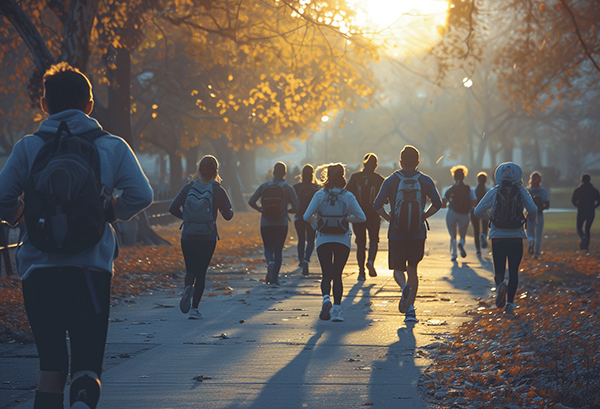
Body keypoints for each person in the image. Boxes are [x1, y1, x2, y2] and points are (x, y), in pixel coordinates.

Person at [0, 62, 153, 409]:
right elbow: (141, 194)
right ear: (89, 105)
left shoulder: (27, 147)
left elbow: (2, 197)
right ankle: (83, 401)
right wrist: (108, 213)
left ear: (44, 105)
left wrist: (20, 216)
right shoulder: (111, 146)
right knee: (86, 366)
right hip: (90, 271)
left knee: (51, 368)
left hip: (38, 272)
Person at [373, 146, 442, 323]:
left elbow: (377, 204)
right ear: (418, 162)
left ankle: (403, 287)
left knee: (397, 269)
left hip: (396, 232)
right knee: (413, 269)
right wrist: (423, 215)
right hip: (417, 233)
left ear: (400, 162)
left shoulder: (390, 181)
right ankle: (411, 310)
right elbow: (438, 203)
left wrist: (388, 217)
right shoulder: (425, 180)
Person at [169, 155, 233, 319]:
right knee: (201, 272)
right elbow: (228, 216)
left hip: (188, 235)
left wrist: (186, 218)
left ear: (199, 170)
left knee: (190, 269)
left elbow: (172, 208)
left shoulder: (188, 187)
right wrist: (227, 210)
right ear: (215, 171)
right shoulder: (217, 189)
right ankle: (194, 309)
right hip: (207, 236)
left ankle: (187, 287)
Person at [304, 163, 366, 322]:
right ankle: (337, 311)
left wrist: (316, 224)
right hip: (342, 240)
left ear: (327, 176)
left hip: (324, 239)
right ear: (342, 177)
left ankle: (326, 298)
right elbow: (362, 217)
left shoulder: (319, 195)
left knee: (326, 274)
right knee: (337, 274)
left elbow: (306, 216)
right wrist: (346, 219)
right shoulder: (348, 196)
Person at [474, 162, 537, 314]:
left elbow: (477, 211)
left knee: (499, 269)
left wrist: (491, 217)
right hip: (516, 236)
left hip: (497, 236)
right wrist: (528, 223)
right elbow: (533, 209)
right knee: (514, 271)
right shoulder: (521, 191)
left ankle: (501, 285)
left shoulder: (495, 191)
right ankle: (509, 303)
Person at [248, 162, 299, 285]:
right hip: (281, 223)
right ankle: (275, 277)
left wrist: (260, 209)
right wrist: (287, 211)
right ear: (285, 173)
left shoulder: (264, 186)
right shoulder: (288, 188)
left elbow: (251, 201)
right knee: (278, 250)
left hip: (266, 222)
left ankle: (269, 262)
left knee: (268, 247)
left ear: (273, 172)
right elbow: (297, 207)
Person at [346, 153, 385, 280]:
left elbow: (347, 195)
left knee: (360, 243)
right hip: (374, 215)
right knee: (374, 240)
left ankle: (361, 271)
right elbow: (386, 198)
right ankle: (371, 261)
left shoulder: (355, 177)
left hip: (357, 214)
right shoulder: (379, 179)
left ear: (363, 164)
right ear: (376, 166)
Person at [441, 165, 475, 261]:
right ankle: (461, 243)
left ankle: (454, 254)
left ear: (454, 176)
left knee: (453, 235)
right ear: (464, 176)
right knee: (462, 234)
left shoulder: (450, 189)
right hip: (464, 214)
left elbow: (444, 201)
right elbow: (474, 201)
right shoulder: (469, 189)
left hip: (452, 212)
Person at [292, 164, 320, 276]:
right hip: (312, 217)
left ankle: (301, 260)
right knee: (311, 240)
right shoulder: (316, 187)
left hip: (299, 216)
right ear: (312, 174)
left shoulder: (296, 187)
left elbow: (291, 201)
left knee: (301, 239)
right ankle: (306, 259)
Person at [571, 174, 600, 253]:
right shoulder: (594, 190)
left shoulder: (578, 190)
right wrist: (594, 206)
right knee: (587, 228)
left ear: (582, 180)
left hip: (581, 211)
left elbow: (573, 200)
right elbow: (599, 201)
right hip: (591, 211)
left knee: (579, 228)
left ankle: (583, 237)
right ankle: (586, 246)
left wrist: (578, 206)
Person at [526, 171, 550, 258]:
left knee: (530, 232)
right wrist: (540, 208)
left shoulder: (527, 191)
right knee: (538, 234)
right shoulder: (543, 191)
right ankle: (536, 253)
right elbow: (547, 204)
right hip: (539, 214)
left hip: (529, 214)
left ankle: (531, 241)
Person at [471, 172, 490, 255]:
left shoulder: (473, 190)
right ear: (486, 180)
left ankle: (478, 249)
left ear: (477, 180)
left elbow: (472, 201)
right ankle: (484, 235)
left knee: (476, 230)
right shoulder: (488, 190)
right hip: (485, 210)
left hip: (474, 211)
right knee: (485, 226)